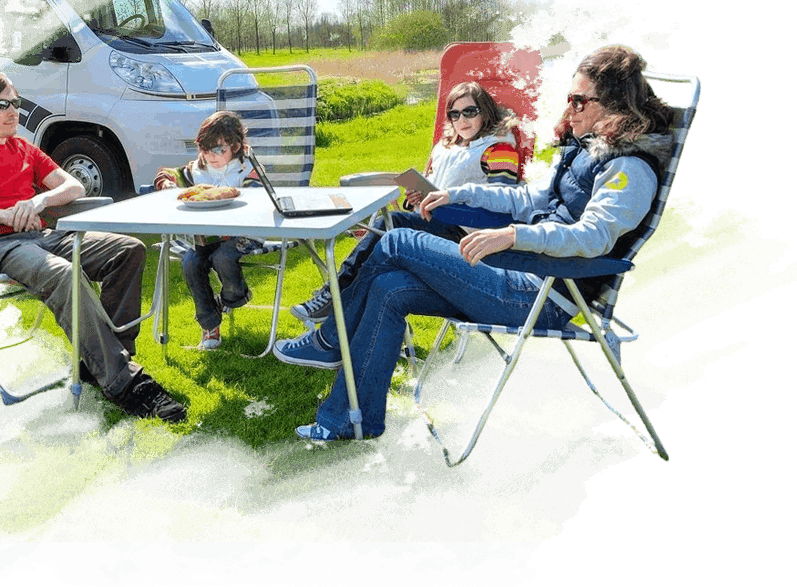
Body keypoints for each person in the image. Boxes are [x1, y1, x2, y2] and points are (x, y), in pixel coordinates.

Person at [274, 44, 675, 441]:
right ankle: (346, 422)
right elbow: (525, 197)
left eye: (577, 100)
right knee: (386, 288)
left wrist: (513, 234)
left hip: (542, 295)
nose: (568, 109)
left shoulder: (631, 168)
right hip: (514, 271)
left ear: (613, 105)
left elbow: (593, 236)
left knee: (396, 240)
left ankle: (329, 339)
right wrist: (459, 195)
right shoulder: (582, 151)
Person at [0, 62, 186, 422]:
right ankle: (127, 384)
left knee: (128, 250)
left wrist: (39, 201)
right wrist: (4, 215)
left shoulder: (24, 149)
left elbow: (73, 185)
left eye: (15, 103)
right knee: (63, 274)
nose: (12, 111)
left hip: (41, 234)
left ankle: (104, 361)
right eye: (0, 105)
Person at [281, 81, 521, 334]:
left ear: (484, 111)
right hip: (434, 223)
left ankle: (333, 296)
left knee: (389, 224)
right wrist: (415, 198)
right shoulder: (446, 147)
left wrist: (448, 199)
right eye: (455, 114)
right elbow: (431, 190)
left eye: (470, 111)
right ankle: (343, 323)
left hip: (466, 235)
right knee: (380, 259)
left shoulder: (498, 148)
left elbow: (501, 203)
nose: (462, 120)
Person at [154, 111, 261, 350]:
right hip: (205, 236)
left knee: (223, 258)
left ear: (235, 146)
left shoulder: (247, 168)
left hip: (242, 234)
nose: (211, 156)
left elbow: (258, 200)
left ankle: (233, 297)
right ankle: (209, 324)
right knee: (191, 263)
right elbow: (169, 173)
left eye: (218, 150)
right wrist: (167, 184)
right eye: (205, 149)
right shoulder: (196, 170)